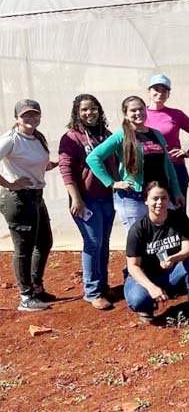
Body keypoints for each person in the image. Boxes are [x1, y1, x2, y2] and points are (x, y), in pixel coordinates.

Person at [87, 96, 184, 233]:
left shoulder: (156, 134)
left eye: (141, 109)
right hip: (133, 197)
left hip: (159, 197)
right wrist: (112, 183)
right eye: (133, 110)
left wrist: (176, 191)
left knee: (167, 238)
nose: (138, 113)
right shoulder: (121, 136)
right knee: (140, 241)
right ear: (126, 115)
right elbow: (93, 158)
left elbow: (167, 164)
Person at [58, 94, 117, 311]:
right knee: (93, 243)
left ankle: (102, 284)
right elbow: (65, 170)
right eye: (84, 110)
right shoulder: (72, 138)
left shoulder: (106, 135)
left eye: (93, 109)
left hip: (107, 197)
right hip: (86, 200)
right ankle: (92, 291)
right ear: (77, 113)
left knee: (104, 242)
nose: (89, 113)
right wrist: (76, 198)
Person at [0, 100, 57, 311]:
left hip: (35, 195)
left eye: (34, 114)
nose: (31, 118)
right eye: (25, 115)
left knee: (44, 241)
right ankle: (26, 297)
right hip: (18, 198)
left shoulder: (37, 137)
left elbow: (37, 164)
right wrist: (10, 184)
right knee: (23, 248)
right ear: (17, 117)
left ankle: (36, 287)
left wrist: (55, 163)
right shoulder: (10, 139)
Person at [124, 181, 189, 323]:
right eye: (154, 198)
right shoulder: (138, 229)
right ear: (146, 201)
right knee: (139, 300)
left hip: (171, 273)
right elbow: (133, 266)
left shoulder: (179, 218)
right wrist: (151, 288)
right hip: (147, 277)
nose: (159, 202)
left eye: (163, 198)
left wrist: (174, 258)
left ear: (169, 199)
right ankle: (148, 306)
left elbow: (188, 249)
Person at [146, 73, 189, 207]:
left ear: (169, 94)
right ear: (149, 91)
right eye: (156, 89)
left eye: (164, 90)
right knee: (155, 212)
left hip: (176, 168)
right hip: (149, 170)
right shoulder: (139, 114)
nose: (160, 93)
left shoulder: (176, 114)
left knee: (178, 212)